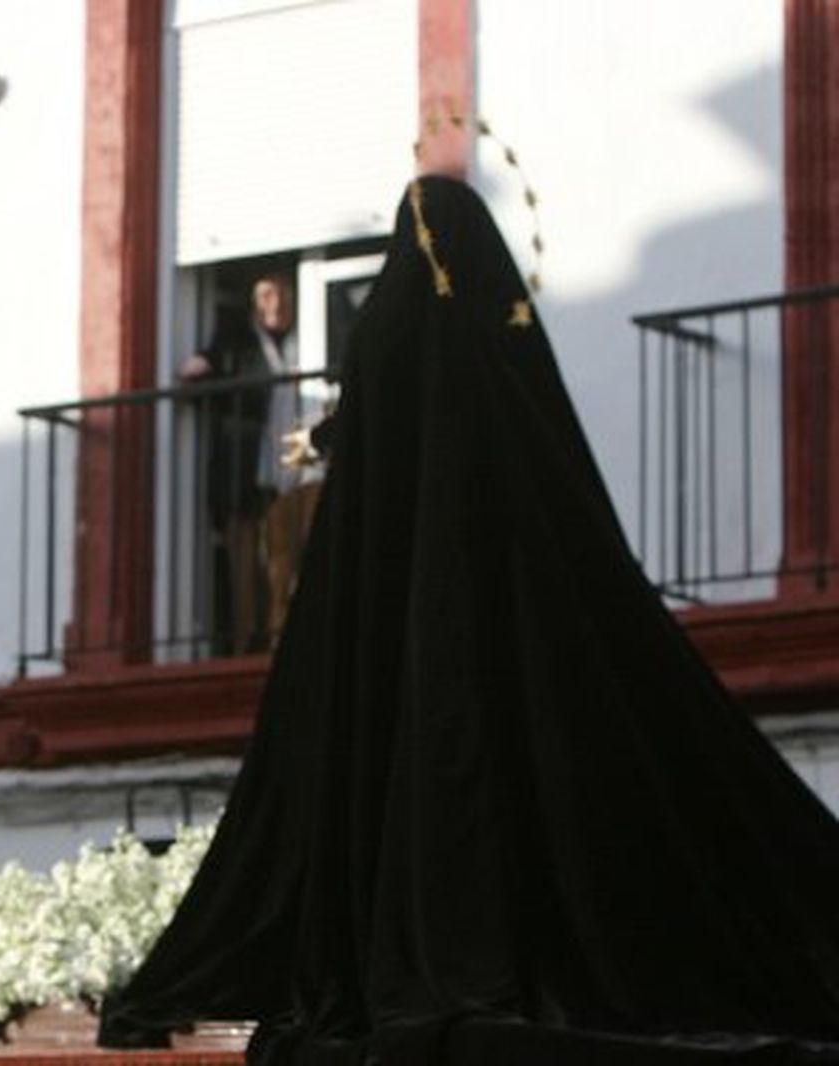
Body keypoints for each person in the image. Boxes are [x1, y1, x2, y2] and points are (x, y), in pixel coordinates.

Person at [101, 177, 839, 1064]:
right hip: (511, 628)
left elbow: (383, 411)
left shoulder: (397, 327)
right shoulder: (498, 347)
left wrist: (341, 437)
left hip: (402, 628)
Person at [183, 272, 309, 655]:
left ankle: (278, 640)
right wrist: (199, 366)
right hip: (243, 467)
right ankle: (244, 644)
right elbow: (199, 372)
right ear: (254, 304)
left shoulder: (304, 342)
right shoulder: (237, 343)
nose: (276, 304)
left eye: (283, 295)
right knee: (245, 561)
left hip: (287, 466)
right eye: (266, 295)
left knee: (281, 557)